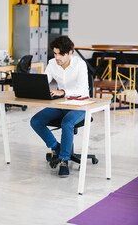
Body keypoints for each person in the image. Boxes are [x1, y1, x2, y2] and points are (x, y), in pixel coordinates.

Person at [30, 36, 89, 178]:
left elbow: (82, 90)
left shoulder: (80, 64)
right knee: (36, 121)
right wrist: (33, 88)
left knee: (67, 123)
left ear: (70, 52)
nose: (57, 57)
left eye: (60, 54)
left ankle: (64, 160)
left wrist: (63, 92)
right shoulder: (51, 64)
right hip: (61, 103)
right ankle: (57, 148)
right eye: (55, 53)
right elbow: (44, 82)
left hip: (80, 104)